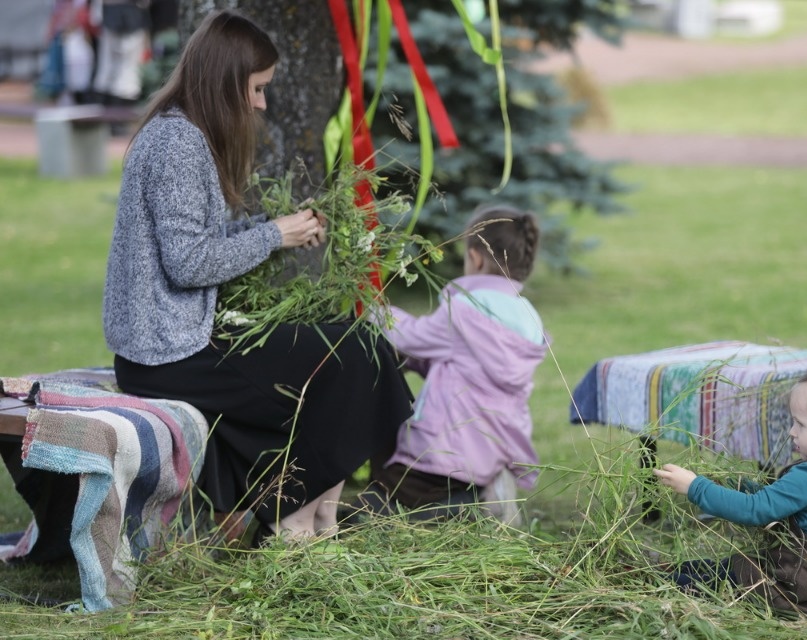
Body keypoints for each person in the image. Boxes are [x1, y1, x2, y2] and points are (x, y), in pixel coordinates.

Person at [102, 9, 412, 542]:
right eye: (258, 88)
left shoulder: (183, 135)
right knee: (351, 357)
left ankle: (318, 518)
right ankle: (294, 519)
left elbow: (202, 238)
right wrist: (276, 236)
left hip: (179, 341)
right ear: (227, 81)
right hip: (167, 355)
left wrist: (274, 225)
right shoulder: (177, 144)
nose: (262, 103)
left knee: (357, 348)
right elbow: (189, 262)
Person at [352, 204, 549, 523]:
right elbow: (469, 366)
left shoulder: (464, 307)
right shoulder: (526, 314)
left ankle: (449, 510)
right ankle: (473, 498)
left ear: (476, 257)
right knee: (420, 488)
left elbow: (410, 337)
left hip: (442, 450)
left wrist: (375, 309)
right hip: (492, 450)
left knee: (381, 497)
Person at [654, 355, 807, 621]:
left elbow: (756, 510)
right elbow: (780, 500)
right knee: (725, 566)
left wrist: (695, 487)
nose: (792, 432)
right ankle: (668, 571)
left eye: (801, 424)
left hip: (797, 596)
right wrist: (738, 484)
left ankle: (655, 581)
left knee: (712, 579)